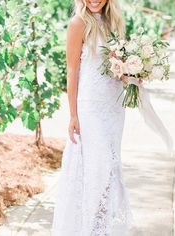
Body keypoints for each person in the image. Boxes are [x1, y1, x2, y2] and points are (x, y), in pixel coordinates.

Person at [51, 0, 133, 235]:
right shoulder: (78, 23)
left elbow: (118, 66)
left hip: (113, 105)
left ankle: (102, 225)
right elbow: (72, 69)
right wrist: (73, 114)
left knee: (110, 166)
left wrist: (133, 75)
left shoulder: (114, 23)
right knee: (98, 164)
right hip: (90, 106)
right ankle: (86, 227)